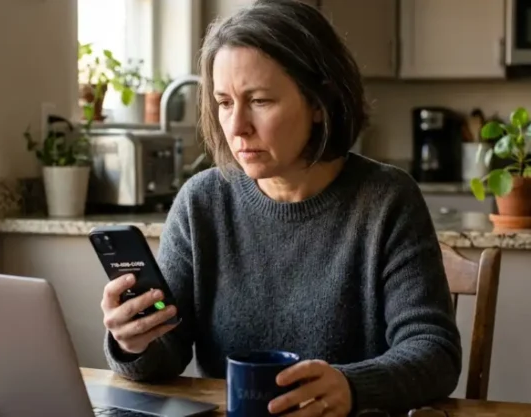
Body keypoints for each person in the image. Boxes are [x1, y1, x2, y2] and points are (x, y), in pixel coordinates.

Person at [100, 0, 462, 415]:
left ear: (318, 104)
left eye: (259, 101)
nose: (236, 127)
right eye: (224, 102)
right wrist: (133, 340)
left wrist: (352, 387)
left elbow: (435, 353)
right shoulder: (201, 202)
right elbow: (168, 354)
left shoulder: (386, 200)